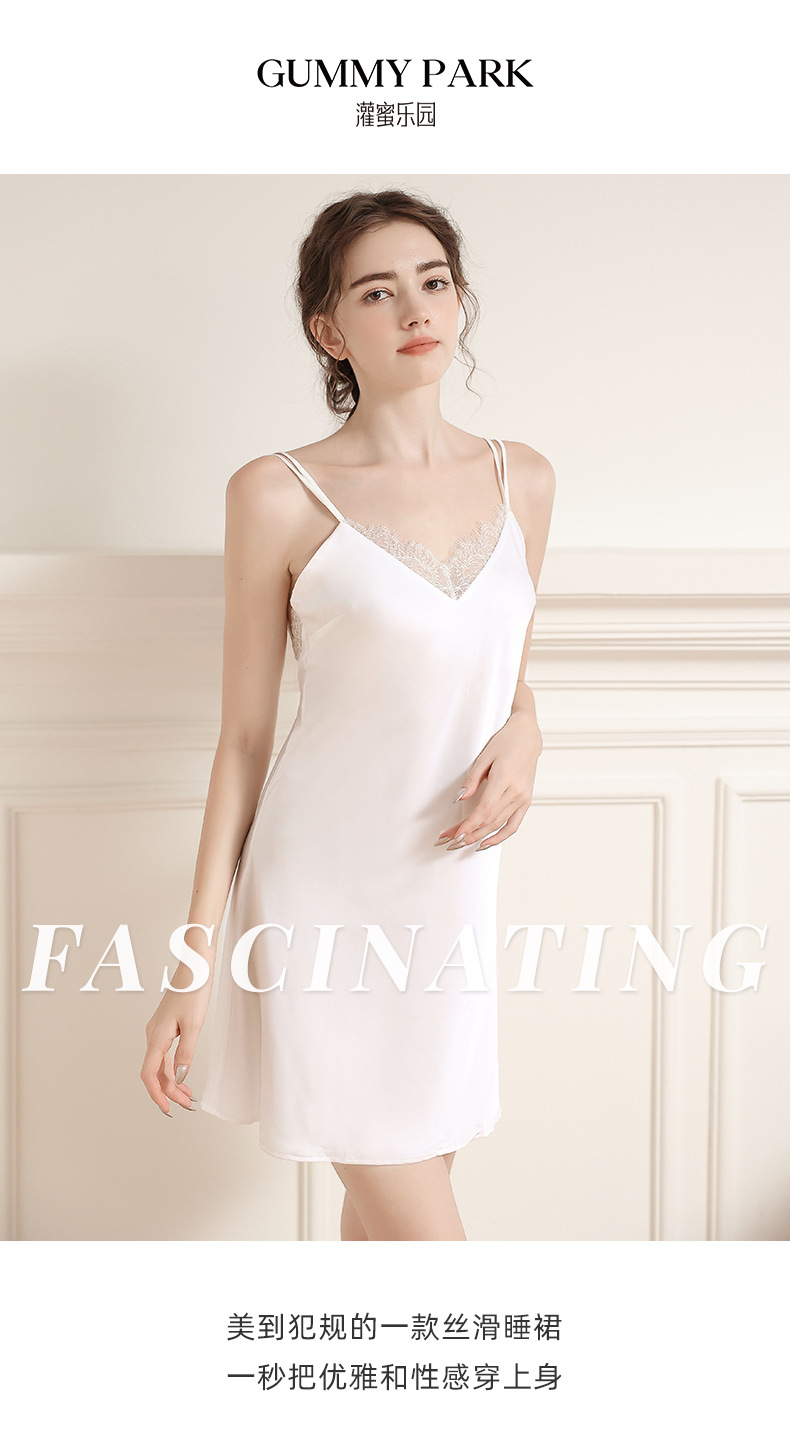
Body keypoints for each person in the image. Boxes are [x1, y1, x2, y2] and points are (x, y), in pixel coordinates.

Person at [140, 188, 555, 1241]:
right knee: (431, 1254)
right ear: (330, 330)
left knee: (381, 1230)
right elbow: (244, 740)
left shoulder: (524, 479)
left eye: (433, 281)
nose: (415, 309)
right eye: (377, 292)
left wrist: (529, 727)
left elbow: (500, 669)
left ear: (457, 300)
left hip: (449, 895)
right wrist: (193, 961)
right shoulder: (274, 493)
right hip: (319, 893)